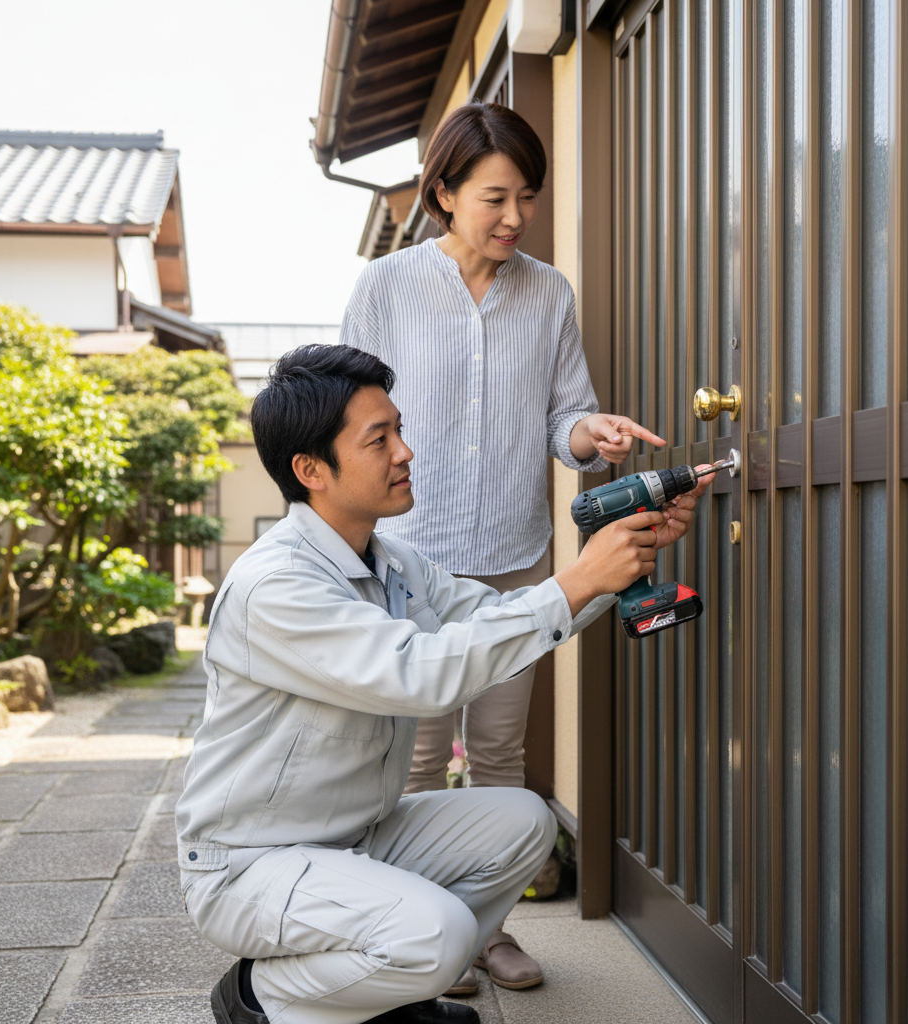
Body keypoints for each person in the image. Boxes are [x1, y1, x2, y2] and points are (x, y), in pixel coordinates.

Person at [176, 344, 710, 1024]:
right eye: (380, 439)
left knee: (523, 821)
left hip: (352, 839)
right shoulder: (277, 585)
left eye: (398, 429)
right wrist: (579, 578)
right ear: (311, 470)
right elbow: (420, 674)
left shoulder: (389, 559)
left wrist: (612, 567)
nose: (405, 452)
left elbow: (492, 618)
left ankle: (387, 997)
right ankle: (259, 997)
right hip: (250, 868)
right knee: (439, 935)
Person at [339, 101, 670, 993]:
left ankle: (487, 933)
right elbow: (351, 421)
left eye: (526, 196)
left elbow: (565, 416)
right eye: (495, 195)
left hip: (516, 554)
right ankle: (411, 936)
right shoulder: (387, 286)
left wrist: (589, 434)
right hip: (410, 558)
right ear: (444, 192)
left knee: (497, 755)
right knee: (407, 757)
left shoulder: (549, 292)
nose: (514, 216)